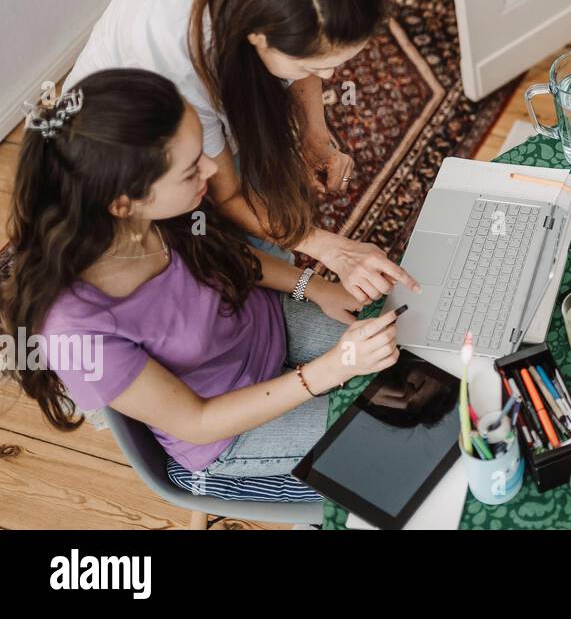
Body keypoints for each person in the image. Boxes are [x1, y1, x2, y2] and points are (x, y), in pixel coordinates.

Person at [0, 69, 400, 479]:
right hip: (229, 429)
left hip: (266, 327)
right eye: (191, 169)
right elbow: (197, 421)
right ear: (124, 204)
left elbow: (222, 255)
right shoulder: (72, 330)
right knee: (396, 441)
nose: (212, 169)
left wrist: (313, 287)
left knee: (412, 361)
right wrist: (329, 371)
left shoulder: (159, 214)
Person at [65, 0, 417, 303]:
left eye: (337, 64)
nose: (329, 77)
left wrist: (315, 135)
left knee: (269, 220)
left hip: (203, 97)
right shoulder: (176, 64)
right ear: (260, 39)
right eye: (315, 64)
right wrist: (332, 250)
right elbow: (227, 194)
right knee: (218, 262)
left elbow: (312, 51)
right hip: (128, 146)